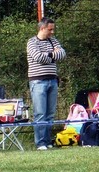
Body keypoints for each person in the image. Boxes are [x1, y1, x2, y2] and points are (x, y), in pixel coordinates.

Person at [27, 17, 66, 150]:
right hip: (38, 81)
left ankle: (48, 141)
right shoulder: (32, 42)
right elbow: (38, 57)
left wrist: (48, 55)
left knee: (50, 114)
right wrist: (52, 54)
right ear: (42, 28)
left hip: (53, 80)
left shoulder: (53, 41)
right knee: (40, 113)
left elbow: (62, 54)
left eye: (53, 29)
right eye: (50, 29)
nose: (52, 32)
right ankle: (40, 143)